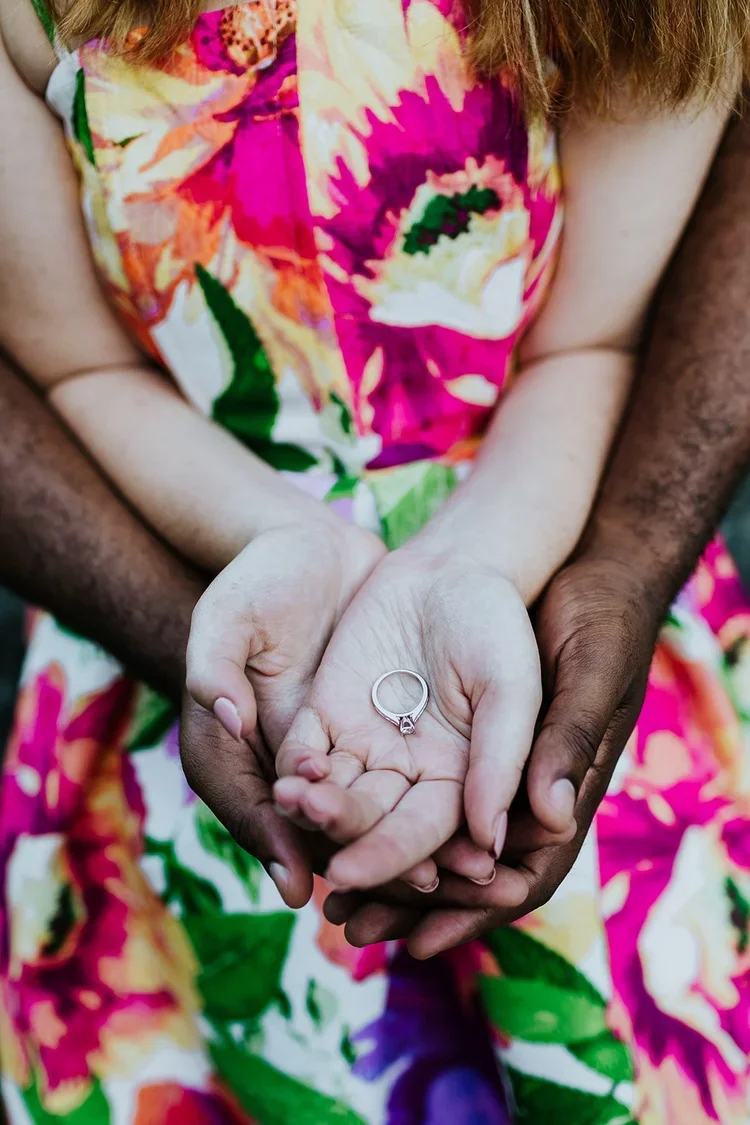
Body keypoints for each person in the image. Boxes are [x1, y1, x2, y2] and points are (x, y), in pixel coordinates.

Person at [0, 4, 748, 1125]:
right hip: (191, 619)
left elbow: (595, 340)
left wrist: (475, 565)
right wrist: (288, 550)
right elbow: (75, 365)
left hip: (548, 566)